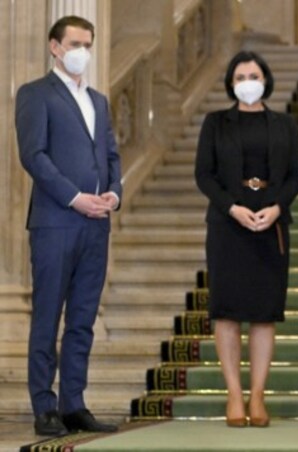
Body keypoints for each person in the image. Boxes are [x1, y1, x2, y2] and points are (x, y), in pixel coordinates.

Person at [15, 16, 121, 437]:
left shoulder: (99, 100)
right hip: (56, 222)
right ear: (55, 47)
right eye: (76, 43)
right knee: (47, 316)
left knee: (82, 318)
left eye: (88, 44)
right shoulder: (35, 94)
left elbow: (111, 154)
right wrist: (75, 197)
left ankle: (73, 403)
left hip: (96, 225)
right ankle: (44, 407)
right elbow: (34, 155)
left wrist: (114, 193)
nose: (84, 52)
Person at [195, 51, 298, 428]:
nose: (247, 80)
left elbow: (295, 175)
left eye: (253, 74)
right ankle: (234, 395)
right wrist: (232, 208)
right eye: (239, 75)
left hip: (270, 223)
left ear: (266, 79)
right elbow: (204, 175)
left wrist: (276, 206)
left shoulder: (283, 124)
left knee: (263, 313)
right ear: (230, 81)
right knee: (226, 312)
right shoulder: (215, 123)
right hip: (228, 224)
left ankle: (258, 395)